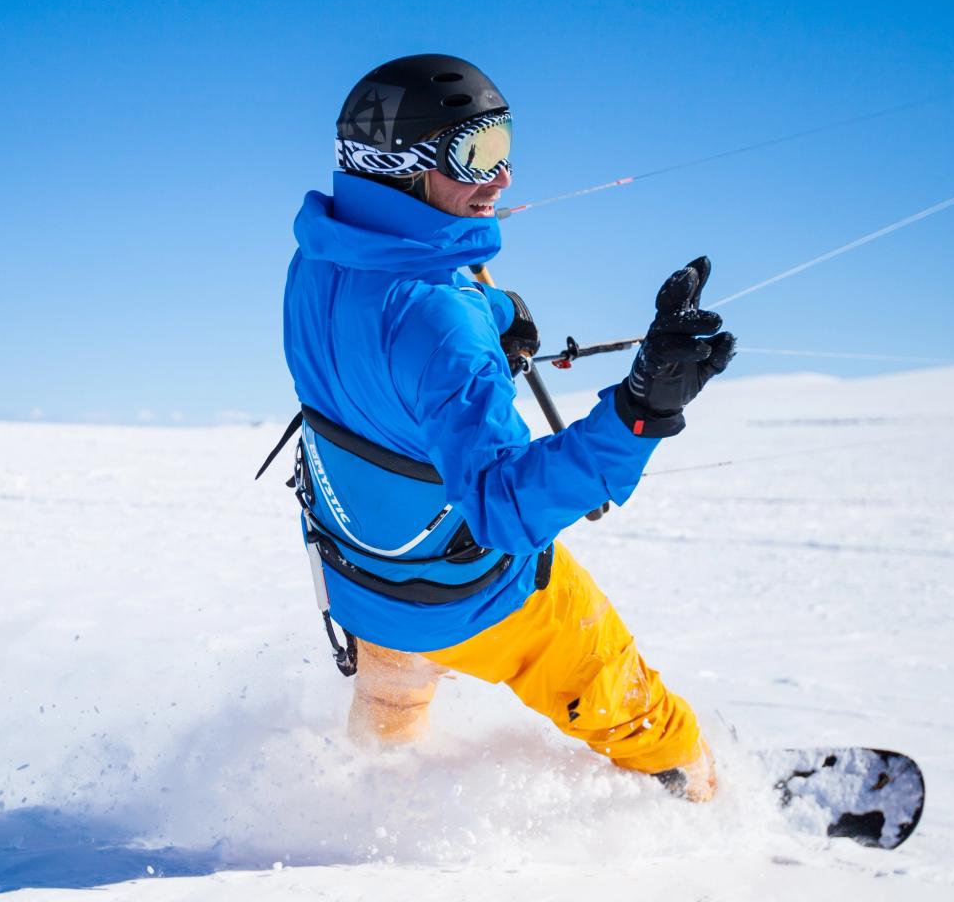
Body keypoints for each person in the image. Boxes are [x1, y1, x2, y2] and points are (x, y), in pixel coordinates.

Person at [275, 54, 736, 801]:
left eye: (505, 145)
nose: (504, 176)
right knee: (610, 683)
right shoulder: (440, 323)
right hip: (476, 599)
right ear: (403, 166)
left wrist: (495, 312)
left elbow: (383, 324)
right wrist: (640, 412)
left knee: (392, 708)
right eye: (476, 154)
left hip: (362, 586)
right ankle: (701, 792)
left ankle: (365, 805)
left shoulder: (315, 264)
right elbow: (502, 507)